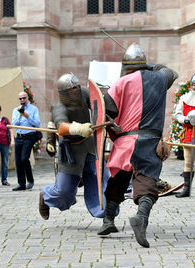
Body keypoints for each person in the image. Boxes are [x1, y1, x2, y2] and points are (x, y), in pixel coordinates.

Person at [97, 43, 178, 248]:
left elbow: (107, 115)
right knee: (147, 184)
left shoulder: (120, 83)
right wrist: (150, 66)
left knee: (118, 181)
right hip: (150, 143)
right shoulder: (160, 78)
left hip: (125, 143)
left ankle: (108, 221)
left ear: (126, 65)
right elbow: (172, 72)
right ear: (143, 63)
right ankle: (141, 218)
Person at [39, 73, 115, 220]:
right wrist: (78, 129)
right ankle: (46, 195)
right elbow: (61, 127)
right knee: (64, 193)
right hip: (70, 154)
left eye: (77, 86)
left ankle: (106, 214)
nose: (76, 89)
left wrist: (110, 114)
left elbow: (98, 104)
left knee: (102, 180)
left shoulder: (83, 94)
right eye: (72, 88)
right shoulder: (59, 107)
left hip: (90, 148)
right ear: (64, 93)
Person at [12, 91, 41, 191]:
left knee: (24, 159)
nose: (22, 100)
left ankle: (30, 180)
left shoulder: (34, 109)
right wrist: (20, 114)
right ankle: (21, 184)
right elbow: (14, 124)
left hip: (29, 136)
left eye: (24, 98)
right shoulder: (16, 110)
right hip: (19, 136)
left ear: (27, 98)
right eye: (20, 99)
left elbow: (37, 124)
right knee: (18, 161)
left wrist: (27, 116)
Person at [174, 74, 195, 197]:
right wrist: (185, 120)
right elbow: (177, 115)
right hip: (189, 133)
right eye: (193, 84)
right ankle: (187, 189)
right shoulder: (184, 98)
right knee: (188, 162)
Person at [0, 104, 14, 185]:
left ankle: (4, 180)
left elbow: (10, 130)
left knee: (5, 162)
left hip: (5, 143)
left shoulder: (5, 120)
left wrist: (12, 140)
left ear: (0, 111)